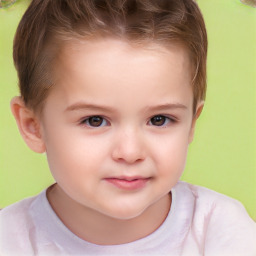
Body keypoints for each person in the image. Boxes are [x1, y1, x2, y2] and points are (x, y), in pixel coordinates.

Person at [0, 0, 255, 255]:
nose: (130, 152)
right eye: (95, 120)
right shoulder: (10, 241)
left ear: (191, 122)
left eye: (159, 119)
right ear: (33, 126)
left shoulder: (223, 232)